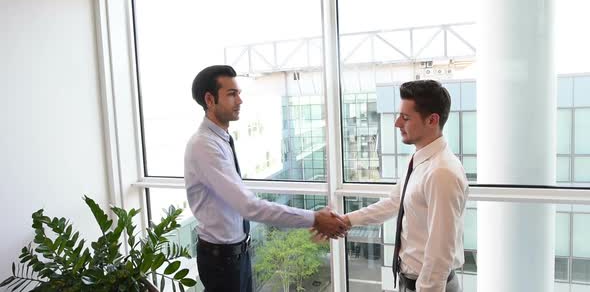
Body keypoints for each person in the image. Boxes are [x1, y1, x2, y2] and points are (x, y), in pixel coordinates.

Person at [184, 65, 348, 292]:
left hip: (235, 255)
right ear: (210, 100)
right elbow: (248, 207)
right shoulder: (204, 145)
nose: (240, 101)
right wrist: (314, 218)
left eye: (239, 93)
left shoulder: (221, 139)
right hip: (221, 260)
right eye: (232, 94)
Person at [327, 80, 469, 292]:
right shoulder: (421, 161)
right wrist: (347, 220)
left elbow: (441, 252)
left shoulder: (442, 173)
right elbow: (395, 202)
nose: (397, 123)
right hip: (410, 282)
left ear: (432, 120)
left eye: (405, 117)